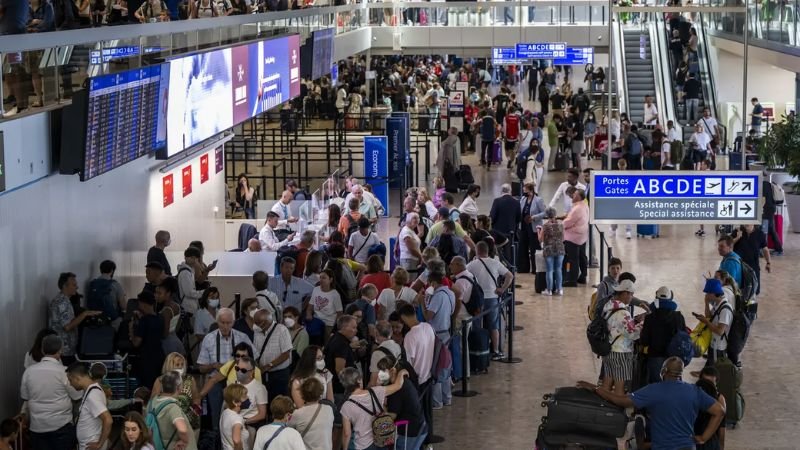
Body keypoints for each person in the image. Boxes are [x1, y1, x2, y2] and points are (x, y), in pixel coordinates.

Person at [576, 357, 725, 449]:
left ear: (664, 371)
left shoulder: (654, 390)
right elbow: (720, 411)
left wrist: (596, 388)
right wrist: (703, 437)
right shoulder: (694, 391)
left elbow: (620, 401)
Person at [196, 308, 254, 436]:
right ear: (217, 322)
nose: (225, 326)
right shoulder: (209, 339)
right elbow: (201, 368)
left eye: (229, 323)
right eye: (222, 322)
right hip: (215, 383)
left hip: (238, 383)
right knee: (216, 415)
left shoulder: (242, 337)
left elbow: (254, 360)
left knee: (238, 414)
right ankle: (217, 438)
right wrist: (213, 365)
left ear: (234, 322)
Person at [20, 335, 82, 450]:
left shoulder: (29, 372)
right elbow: (77, 395)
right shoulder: (64, 372)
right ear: (60, 350)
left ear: (43, 350)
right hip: (61, 427)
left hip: (37, 427)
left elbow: (25, 397)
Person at [338, 367, 409, 450]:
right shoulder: (376, 391)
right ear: (359, 380)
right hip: (383, 438)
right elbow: (398, 386)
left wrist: (345, 448)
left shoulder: (346, 406)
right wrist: (401, 372)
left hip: (363, 445)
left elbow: (347, 433)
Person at [467, 241, 512, 360]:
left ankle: (477, 350)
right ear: (487, 251)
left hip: (478, 299)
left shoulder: (472, 264)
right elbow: (510, 275)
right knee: (493, 325)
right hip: (493, 297)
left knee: (476, 325)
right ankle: (496, 351)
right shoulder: (495, 263)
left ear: (477, 251)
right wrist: (502, 289)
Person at [599, 279, 643, 395]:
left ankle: (602, 408)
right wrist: (642, 325)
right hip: (621, 353)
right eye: (631, 294)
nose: (631, 297)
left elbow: (618, 327)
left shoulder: (609, 307)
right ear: (625, 293)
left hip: (609, 350)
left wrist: (633, 321)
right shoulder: (623, 313)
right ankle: (617, 412)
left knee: (606, 383)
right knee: (619, 387)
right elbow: (632, 334)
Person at [49, 272, 102, 365]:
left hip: (66, 350)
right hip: (63, 351)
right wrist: (84, 314)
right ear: (64, 286)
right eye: (74, 285)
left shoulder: (65, 300)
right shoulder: (62, 302)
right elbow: (67, 327)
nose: (77, 287)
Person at [641, 287, 686, 384]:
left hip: (655, 356)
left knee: (656, 386)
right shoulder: (678, 317)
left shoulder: (650, 318)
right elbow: (684, 337)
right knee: (675, 385)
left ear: (656, 298)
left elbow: (644, 340)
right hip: (674, 358)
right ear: (671, 298)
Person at [66, 363, 112, 450]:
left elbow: (108, 420)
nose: (70, 384)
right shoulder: (92, 390)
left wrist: (100, 444)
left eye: (70, 380)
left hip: (91, 445)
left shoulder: (92, 395)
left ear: (77, 378)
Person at [146, 371, 196, 450]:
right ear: (178, 387)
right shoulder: (172, 407)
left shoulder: (152, 403)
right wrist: (184, 441)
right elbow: (182, 429)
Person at [150, 353, 199, 434]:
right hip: (166, 424)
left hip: (189, 424)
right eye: (177, 364)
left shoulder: (190, 379)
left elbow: (197, 398)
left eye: (182, 364)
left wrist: (195, 414)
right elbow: (153, 401)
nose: (180, 367)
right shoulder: (160, 381)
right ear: (169, 365)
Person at [252, 309, 293, 405]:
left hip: (279, 375)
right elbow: (256, 351)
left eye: (257, 323)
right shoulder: (257, 331)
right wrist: (257, 365)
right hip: (263, 373)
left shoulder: (281, 330)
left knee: (279, 402)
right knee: (264, 400)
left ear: (264, 323)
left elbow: (286, 354)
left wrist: (268, 366)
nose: (255, 325)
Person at [129, 292, 166, 390]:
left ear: (143, 304)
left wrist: (131, 330)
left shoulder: (144, 321)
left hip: (147, 359)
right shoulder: (160, 318)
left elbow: (136, 343)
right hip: (159, 356)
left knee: (148, 387)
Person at [693, 278, 733, 368]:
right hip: (713, 342)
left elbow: (720, 331)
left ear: (713, 293)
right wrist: (706, 303)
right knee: (710, 367)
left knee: (716, 371)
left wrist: (706, 322)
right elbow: (709, 316)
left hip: (719, 346)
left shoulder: (725, 309)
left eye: (708, 293)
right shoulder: (717, 304)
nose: (706, 295)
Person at [288, 378, 334, 450]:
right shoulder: (329, 409)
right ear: (320, 392)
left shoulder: (298, 414)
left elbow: (287, 428)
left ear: (302, 393)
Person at [561, 188, 589, 287]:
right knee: (582, 257)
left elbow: (568, 222)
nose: (572, 195)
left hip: (573, 237)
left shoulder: (577, 209)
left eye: (574, 194)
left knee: (573, 259)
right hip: (582, 236)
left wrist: (561, 224)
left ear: (578, 196)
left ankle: (571, 280)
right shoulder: (585, 205)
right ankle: (583, 276)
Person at [324, 315, 358, 395]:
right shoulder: (342, 344)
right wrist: (349, 387)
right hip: (339, 389)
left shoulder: (335, 337)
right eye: (353, 327)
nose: (356, 330)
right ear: (344, 327)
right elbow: (339, 369)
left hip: (332, 385)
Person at [307, 269, 344, 342]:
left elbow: (340, 313)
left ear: (330, 280)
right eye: (320, 277)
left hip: (329, 324)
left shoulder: (335, 294)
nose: (321, 280)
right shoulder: (316, 289)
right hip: (316, 321)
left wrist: (335, 328)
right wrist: (309, 315)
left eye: (324, 278)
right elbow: (310, 306)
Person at [518, 182, 546, 274]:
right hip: (524, 226)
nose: (524, 192)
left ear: (530, 190)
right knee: (523, 246)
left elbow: (544, 213)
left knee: (534, 247)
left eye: (525, 190)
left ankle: (535, 268)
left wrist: (534, 217)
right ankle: (523, 268)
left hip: (534, 227)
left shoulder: (538, 200)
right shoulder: (523, 199)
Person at [87, 260, 126, 324]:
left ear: (101, 270)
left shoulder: (93, 284)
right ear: (112, 270)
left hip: (95, 319)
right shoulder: (115, 284)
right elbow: (123, 306)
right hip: (112, 319)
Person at [538, 207, 565, 296]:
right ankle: (559, 289)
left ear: (547, 215)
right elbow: (563, 238)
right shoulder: (561, 225)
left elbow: (540, 239)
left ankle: (549, 290)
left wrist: (538, 231)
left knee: (549, 270)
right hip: (560, 249)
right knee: (558, 269)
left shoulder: (545, 226)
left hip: (549, 249)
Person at [155, 277, 184, 357]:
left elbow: (165, 333)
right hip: (176, 340)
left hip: (167, 344)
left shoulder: (166, 311)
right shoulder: (177, 306)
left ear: (168, 294)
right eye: (156, 293)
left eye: (159, 293)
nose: (156, 296)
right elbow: (177, 326)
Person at [220, 384, 250, 450]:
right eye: (245, 396)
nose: (248, 397)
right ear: (235, 402)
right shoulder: (237, 419)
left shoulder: (225, 412)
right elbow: (236, 440)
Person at [176, 247, 204, 314]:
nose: (194, 260)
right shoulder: (185, 273)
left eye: (195, 258)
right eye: (191, 257)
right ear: (185, 258)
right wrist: (204, 292)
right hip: (187, 307)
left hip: (191, 306)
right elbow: (189, 293)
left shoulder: (190, 271)